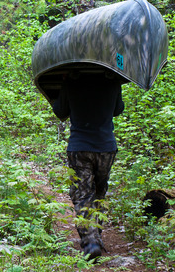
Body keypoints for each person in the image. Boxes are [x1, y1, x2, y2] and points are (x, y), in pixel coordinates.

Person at [52, 69, 125, 259]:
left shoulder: (71, 81)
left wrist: (62, 87)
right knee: (99, 191)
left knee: (83, 193)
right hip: (106, 147)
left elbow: (60, 112)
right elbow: (118, 110)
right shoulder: (113, 80)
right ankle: (97, 235)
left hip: (80, 147)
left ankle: (90, 242)